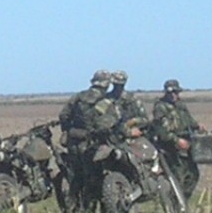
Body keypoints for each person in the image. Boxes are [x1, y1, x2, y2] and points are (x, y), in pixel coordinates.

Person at [59, 70, 115, 212]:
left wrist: (70, 130)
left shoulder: (78, 97)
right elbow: (109, 124)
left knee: (76, 176)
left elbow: (63, 115)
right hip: (92, 145)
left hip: (74, 143)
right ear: (106, 84)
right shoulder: (106, 101)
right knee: (94, 179)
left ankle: (72, 206)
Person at [153, 79, 203, 200]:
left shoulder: (180, 105)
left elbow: (188, 121)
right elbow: (162, 133)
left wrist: (198, 126)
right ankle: (174, 204)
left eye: (176, 92)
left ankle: (183, 202)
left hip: (186, 147)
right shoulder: (160, 107)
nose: (173, 95)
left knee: (193, 175)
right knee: (177, 178)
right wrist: (177, 140)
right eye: (170, 93)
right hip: (170, 149)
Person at [107, 71, 149, 139]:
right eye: (116, 85)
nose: (118, 88)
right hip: (112, 135)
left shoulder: (133, 100)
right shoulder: (107, 98)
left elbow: (145, 120)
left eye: (120, 85)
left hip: (132, 135)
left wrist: (133, 121)